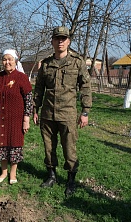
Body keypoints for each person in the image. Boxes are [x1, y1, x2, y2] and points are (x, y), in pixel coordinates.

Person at [33, 26, 92, 196]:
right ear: (52, 41)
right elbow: (39, 89)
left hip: (67, 113)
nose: (60, 41)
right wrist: (35, 109)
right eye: (57, 38)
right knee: (48, 147)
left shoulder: (77, 62)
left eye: (64, 38)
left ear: (68, 41)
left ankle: (71, 179)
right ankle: (51, 175)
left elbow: (86, 87)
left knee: (69, 148)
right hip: (48, 113)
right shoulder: (46, 64)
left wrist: (85, 111)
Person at [0, 49, 33, 185]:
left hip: (16, 119)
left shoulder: (21, 77)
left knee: (14, 145)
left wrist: (26, 119)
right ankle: (3, 172)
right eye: (4, 59)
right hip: (0, 118)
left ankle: (13, 174)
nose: (7, 62)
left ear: (15, 61)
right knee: (1, 145)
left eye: (10, 59)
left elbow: (28, 99)